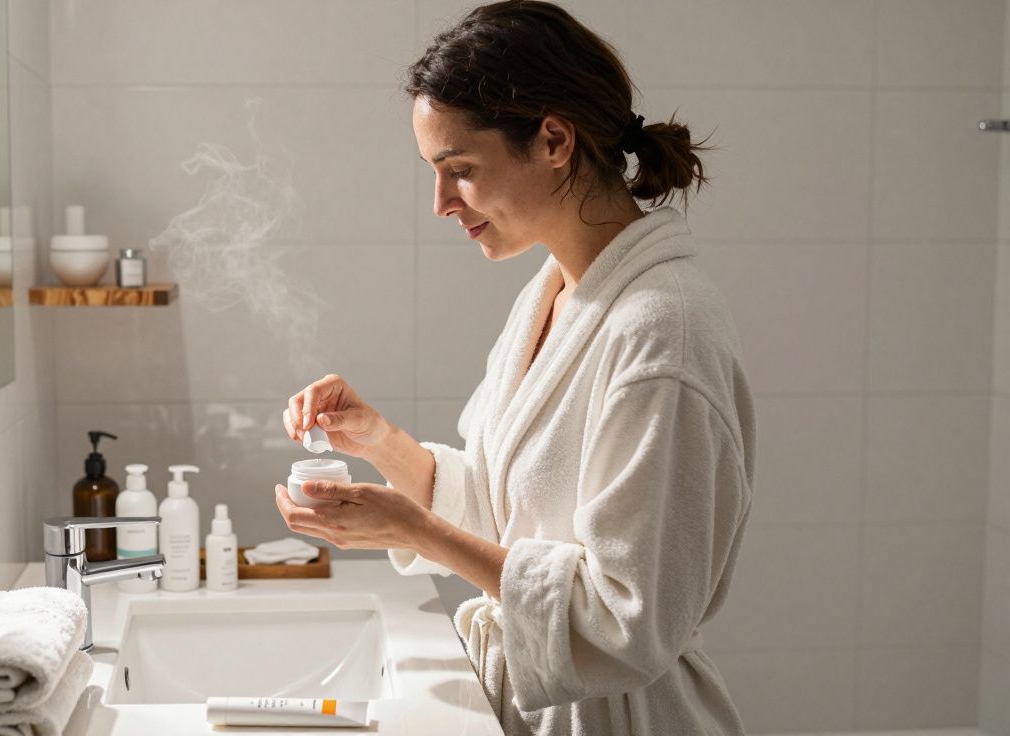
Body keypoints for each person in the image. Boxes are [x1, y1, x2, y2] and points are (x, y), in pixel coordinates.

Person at [274, 2, 754, 734]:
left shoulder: (662, 332)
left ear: (554, 139)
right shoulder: (558, 293)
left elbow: (627, 621)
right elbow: (514, 517)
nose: (440, 204)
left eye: (458, 170)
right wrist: (379, 442)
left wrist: (416, 531)